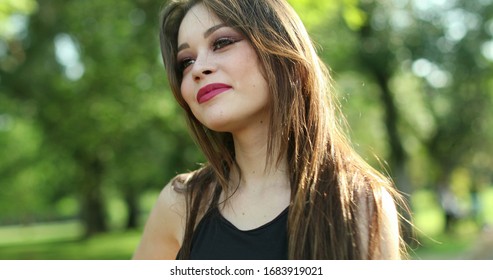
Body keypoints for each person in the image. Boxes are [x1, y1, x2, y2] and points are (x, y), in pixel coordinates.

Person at [133, 0, 408, 260]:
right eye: (186, 61)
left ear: (282, 50)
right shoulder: (180, 204)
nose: (198, 69)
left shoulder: (359, 203)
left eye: (222, 42)